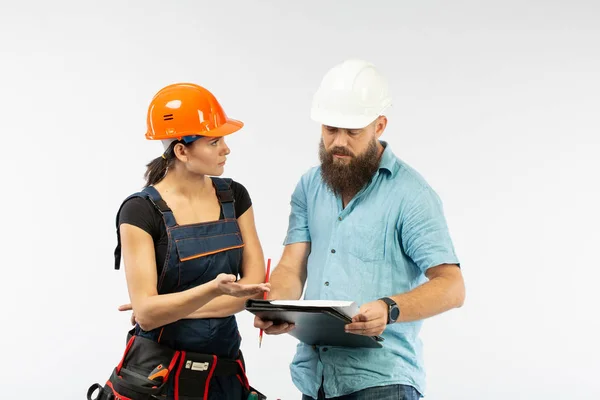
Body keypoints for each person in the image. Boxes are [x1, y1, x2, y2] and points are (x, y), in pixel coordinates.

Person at [253, 59, 465, 400]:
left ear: (379, 125)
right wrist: (274, 305)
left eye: (353, 132)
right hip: (315, 379)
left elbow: (452, 287)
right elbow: (292, 266)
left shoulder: (411, 195)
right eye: (330, 129)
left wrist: (389, 307)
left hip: (383, 382)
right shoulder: (310, 186)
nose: (339, 142)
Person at [96, 83, 269, 400]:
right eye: (214, 141)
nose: (226, 149)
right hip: (157, 380)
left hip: (224, 373)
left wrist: (168, 308)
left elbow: (253, 290)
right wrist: (215, 290)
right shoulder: (140, 211)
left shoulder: (235, 196)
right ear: (181, 150)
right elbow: (149, 315)